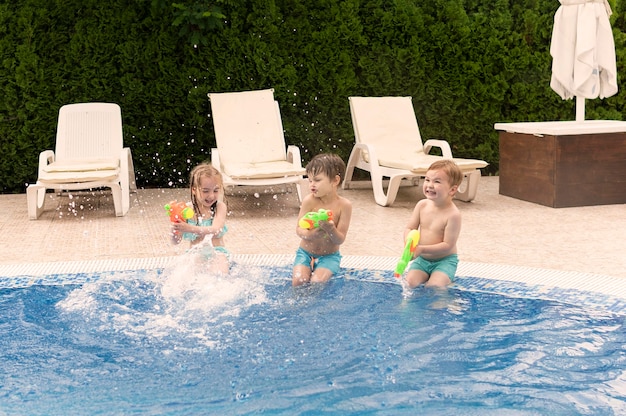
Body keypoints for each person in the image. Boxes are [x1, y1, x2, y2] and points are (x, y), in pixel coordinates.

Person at [292, 153, 352, 286]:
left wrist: (331, 229)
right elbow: (298, 229)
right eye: (310, 180)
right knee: (298, 281)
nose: (312, 185)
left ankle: (319, 269)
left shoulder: (344, 206)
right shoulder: (309, 201)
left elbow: (340, 239)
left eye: (317, 180)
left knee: (317, 282)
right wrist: (310, 234)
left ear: (335, 181)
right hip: (305, 253)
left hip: (329, 256)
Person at [402, 160, 463, 288]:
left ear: (452, 190)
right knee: (409, 283)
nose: (430, 185)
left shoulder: (453, 215)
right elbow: (410, 227)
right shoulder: (421, 205)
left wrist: (421, 249)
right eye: (427, 179)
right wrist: (409, 244)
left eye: (437, 181)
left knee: (434, 286)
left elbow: (448, 245)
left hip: (444, 261)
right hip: (422, 260)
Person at [171, 162, 230, 274]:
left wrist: (189, 228)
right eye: (205, 191)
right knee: (185, 277)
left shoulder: (220, 207)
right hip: (195, 253)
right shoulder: (186, 210)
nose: (211, 196)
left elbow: (216, 230)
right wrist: (175, 226)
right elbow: (175, 241)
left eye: (216, 190)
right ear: (194, 190)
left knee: (220, 276)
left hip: (217, 252)